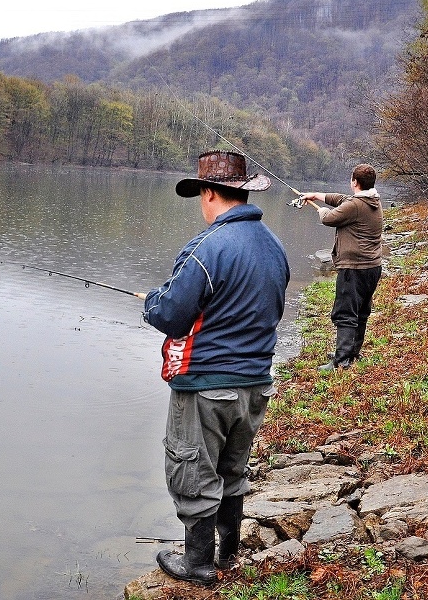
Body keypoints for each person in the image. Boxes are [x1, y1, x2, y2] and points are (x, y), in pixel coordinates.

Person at [141, 150, 290, 586]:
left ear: (209, 193)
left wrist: (152, 302)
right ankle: (227, 554)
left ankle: (199, 564)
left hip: (207, 386)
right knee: (233, 469)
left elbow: (171, 315)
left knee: (193, 471)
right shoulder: (275, 246)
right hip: (256, 385)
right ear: (242, 191)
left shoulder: (207, 248)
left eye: (200, 195)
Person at [299, 164, 383, 371]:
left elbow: (329, 218)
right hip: (372, 267)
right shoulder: (372, 200)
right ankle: (351, 351)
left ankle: (342, 361)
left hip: (354, 269)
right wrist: (315, 195)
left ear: (355, 182)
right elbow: (341, 199)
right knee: (361, 311)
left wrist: (322, 210)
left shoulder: (355, 205)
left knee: (345, 312)